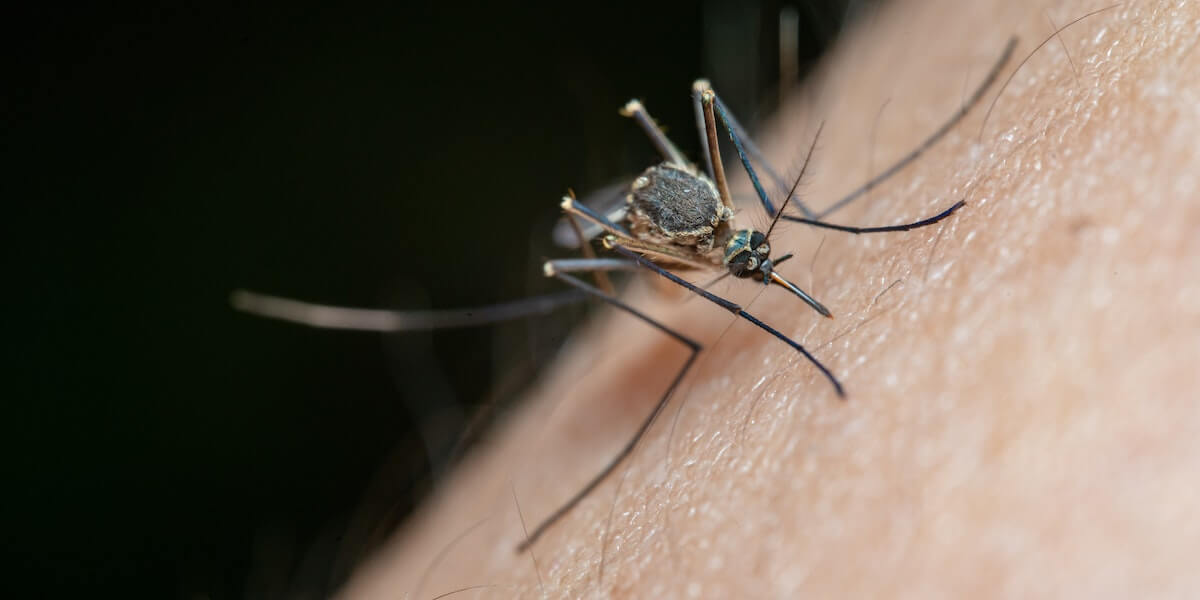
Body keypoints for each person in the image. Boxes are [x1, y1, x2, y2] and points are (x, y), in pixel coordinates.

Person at [341, 0, 1200, 596]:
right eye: (754, 262)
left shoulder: (733, 223)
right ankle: (686, 341)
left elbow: (740, 205)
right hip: (647, 237)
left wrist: (816, 221)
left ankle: (824, 215)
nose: (760, 264)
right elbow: (623, 249)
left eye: (755, 258)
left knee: (705, 103)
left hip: (692, 212)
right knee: (590, 246)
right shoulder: (688, 247)